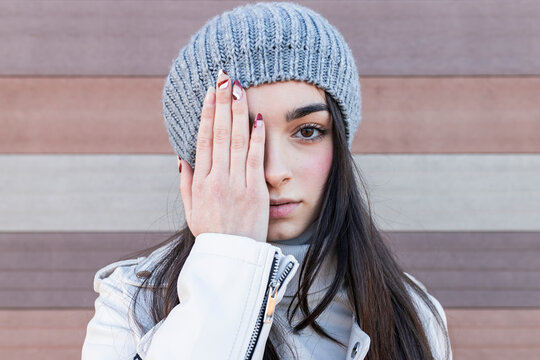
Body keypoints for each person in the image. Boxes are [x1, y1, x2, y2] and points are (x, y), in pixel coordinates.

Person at [81, 2, 452, 359]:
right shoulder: (131, 305)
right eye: (242, 136)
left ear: (339, 144)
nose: (274, 172)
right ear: (196, 161)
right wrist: (227, 258)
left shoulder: (412, 314)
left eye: (307, 131)